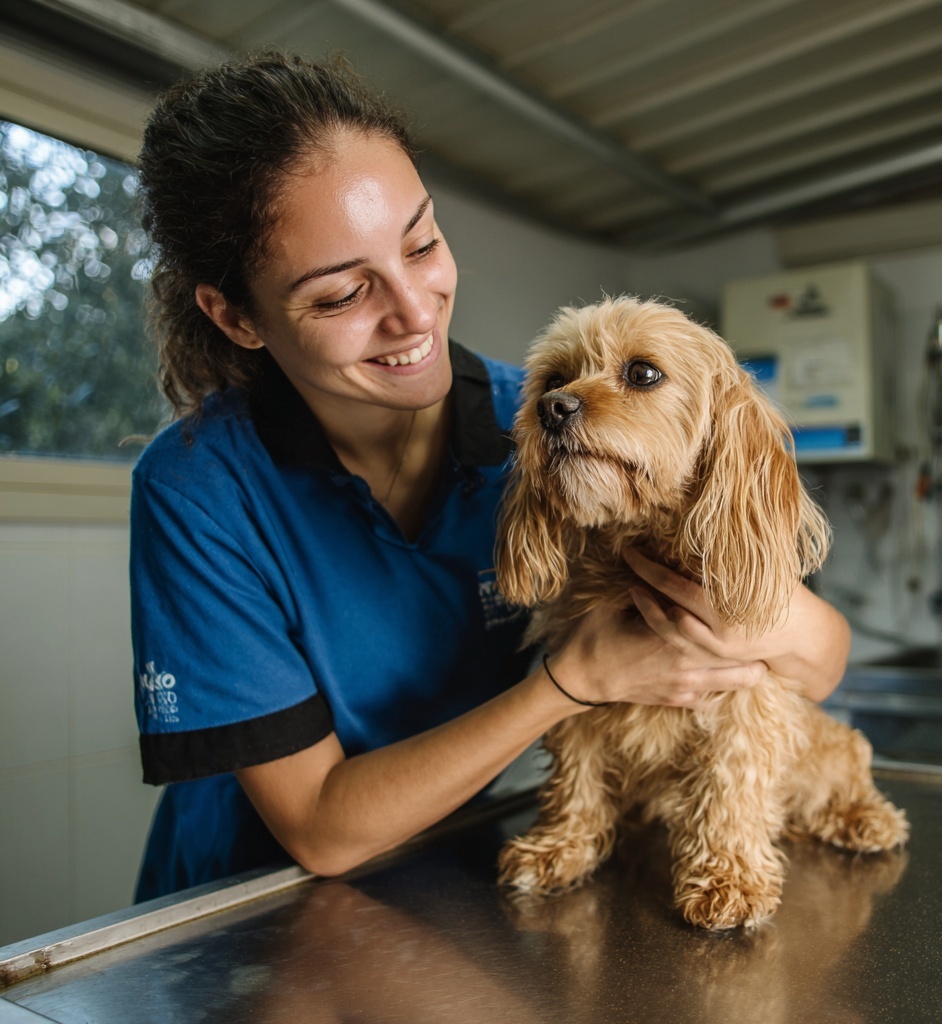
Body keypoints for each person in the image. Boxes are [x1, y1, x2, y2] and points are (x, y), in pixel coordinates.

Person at [130, 51, 851, 902]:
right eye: (339, 295)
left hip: (450, 875)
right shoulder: (200, 491)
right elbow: (320, 829)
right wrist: (569, 681)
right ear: (237, 315)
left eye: (422, 243)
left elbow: (820, 656)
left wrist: (749, 618)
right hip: (250, 910)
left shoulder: (542, 417)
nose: (413, 312)